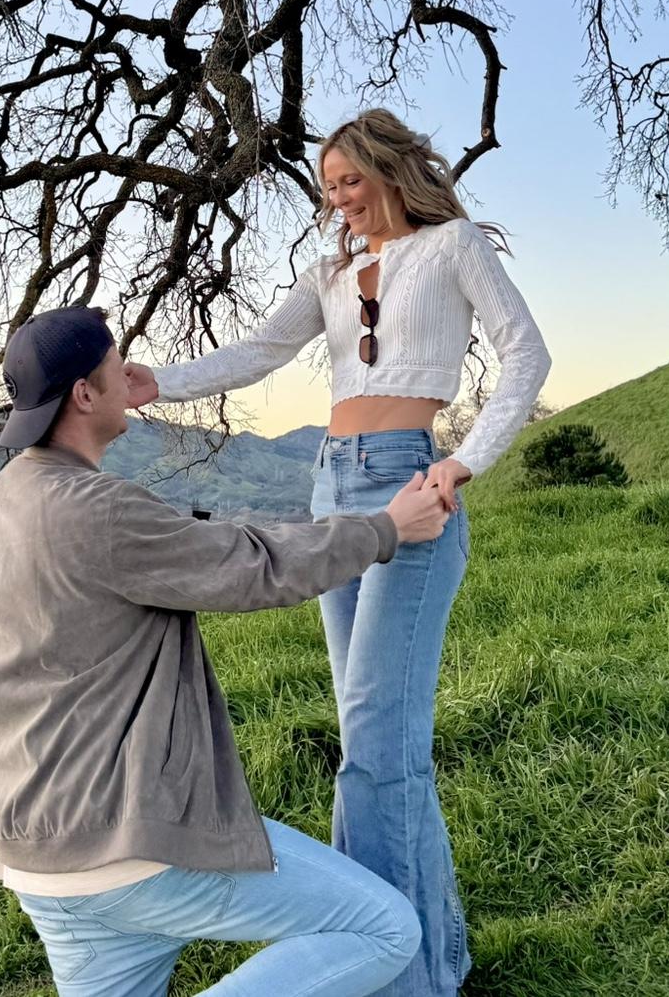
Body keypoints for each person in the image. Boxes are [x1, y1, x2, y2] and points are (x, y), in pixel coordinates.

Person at [129, 108, 552, 996]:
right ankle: (430, 959)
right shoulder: (327, 274)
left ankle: (393, 969)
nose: (339, 200)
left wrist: (463, 463)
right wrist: (157, 382)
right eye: (329, 188)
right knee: (381, 744)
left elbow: (527, 354)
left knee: (374, 743)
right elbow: (259, 351)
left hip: (410, 481)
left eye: (350, 181)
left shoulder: (453, 246)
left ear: (390, 171)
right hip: (331, 488)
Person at [0, 304, 458, 997]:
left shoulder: (5, 499)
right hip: (130, 849)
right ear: (84, 395)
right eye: (115, 367)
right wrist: (385, 528)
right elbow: (252, 565)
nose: (129, 374)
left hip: (38, 856)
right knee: (383, 929)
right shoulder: (96, 510)